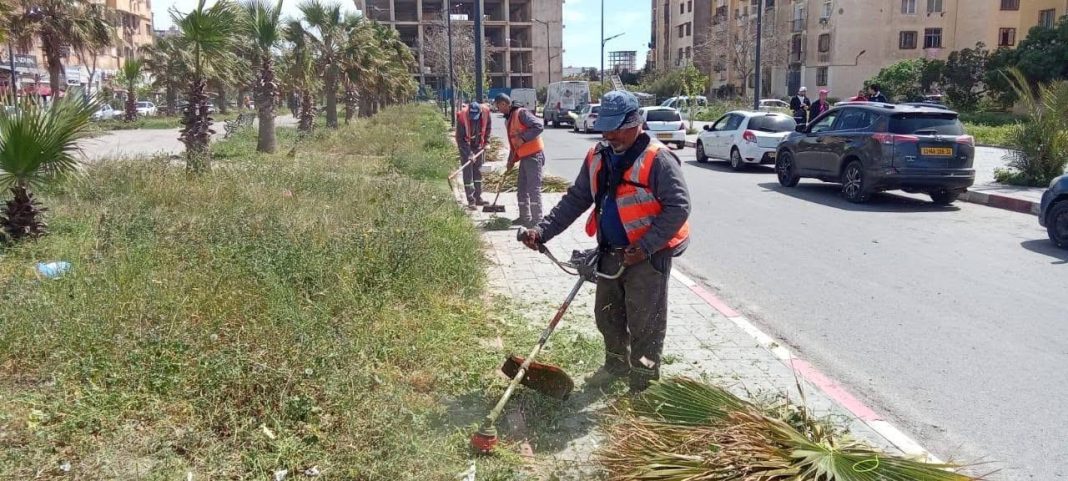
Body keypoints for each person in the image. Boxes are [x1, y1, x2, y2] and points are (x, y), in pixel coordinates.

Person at [518, 90, 691, 393]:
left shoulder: (658, 159)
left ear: (635, 121)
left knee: (645, 326)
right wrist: (543, 231)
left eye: (617, 127)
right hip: (610, 251)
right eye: (606, 126)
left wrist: (646, 246)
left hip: (648, 256)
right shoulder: (598, 154)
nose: (610, 134)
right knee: (608, 316)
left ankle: (644, 384)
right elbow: (577, 198)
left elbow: (679, 207)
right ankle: (615, 367)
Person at [495, 93, 546, 227]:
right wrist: (510, 160)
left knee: (533, 189)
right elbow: (514, 144)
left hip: (534, 156)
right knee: (522, 189)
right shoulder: (509, 120)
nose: (497, 109)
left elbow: (539, 126)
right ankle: (525, 217)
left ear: (504, 104)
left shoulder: (521, 113)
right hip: (524, 157)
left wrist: (523, 138)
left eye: (498, 106)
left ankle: (537, 220)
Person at [455, 101, 492, 209]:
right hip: (466, 146)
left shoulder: (485, 112)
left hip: (478, 145)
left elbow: (488, 128)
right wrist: (469, 154)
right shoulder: (462, 116)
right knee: (468, 174)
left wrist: (487, 142)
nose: (473, 119)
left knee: (478, 172)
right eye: (471, 116)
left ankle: (478, 197)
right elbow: (460, 139)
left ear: (480, 112)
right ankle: (471, 200)